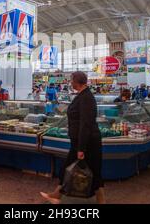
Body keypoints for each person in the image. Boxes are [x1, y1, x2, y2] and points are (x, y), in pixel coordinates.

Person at [40, 71, 105, 204]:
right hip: (82, 142)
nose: (70, 82)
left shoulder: (86, 97)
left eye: (71, 80)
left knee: (91, 171)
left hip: (87, 143)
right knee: (76, 168)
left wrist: (81, 148)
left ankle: (100, 200)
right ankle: (57, 195)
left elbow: (85, 124)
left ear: (77, 81)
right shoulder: (83, 95)